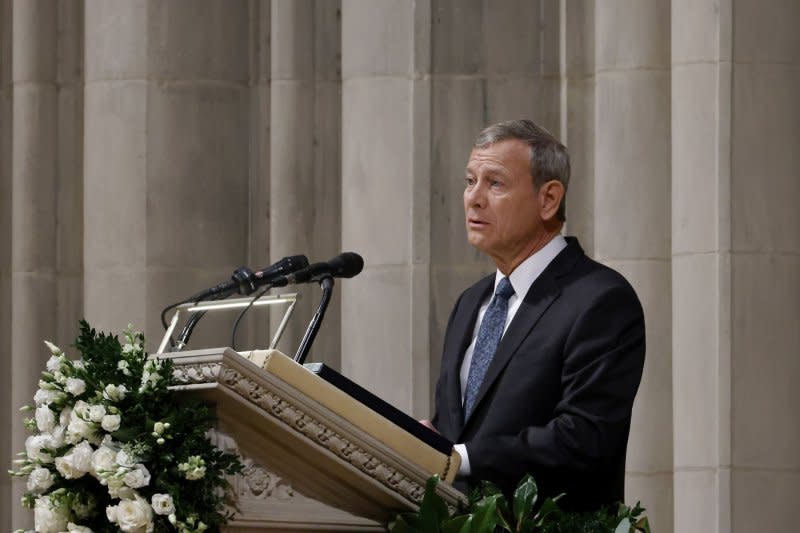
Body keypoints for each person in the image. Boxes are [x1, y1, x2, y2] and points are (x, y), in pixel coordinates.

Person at [425, 119, 645, 511]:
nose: (474, 198)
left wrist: (460, 458)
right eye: (469, 180)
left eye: (495, 184)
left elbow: (583, 438)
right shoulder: (469, 302)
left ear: (548, 199)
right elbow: (457, 429)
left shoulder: (599, 300)